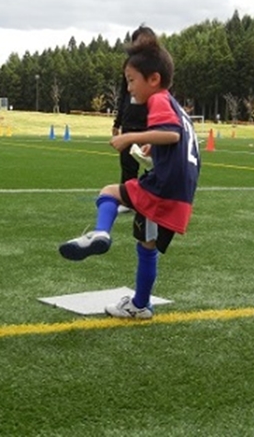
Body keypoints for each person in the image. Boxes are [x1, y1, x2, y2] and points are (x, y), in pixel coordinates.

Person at [59, 30, 201, 319]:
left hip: (163, 186)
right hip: (181, 192)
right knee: (147, 244)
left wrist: (130, 137)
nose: (129, 88)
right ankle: (140, 305)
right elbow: (178, 139)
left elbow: (172, 135)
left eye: (132, 80)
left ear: (154, 79)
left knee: (109, 192)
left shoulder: (158, 100)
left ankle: (100, 232)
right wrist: (153, 148)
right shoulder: (176, 106)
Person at [112, 26, 152, 212]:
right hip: (130, 121)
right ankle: (128, 201)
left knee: (151, 164)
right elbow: (123, 94)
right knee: (128, 164)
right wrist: (117, 122)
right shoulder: (129, 65)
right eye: (138, 41)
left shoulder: (156, 65)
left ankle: (151, 199)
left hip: (149, 122)